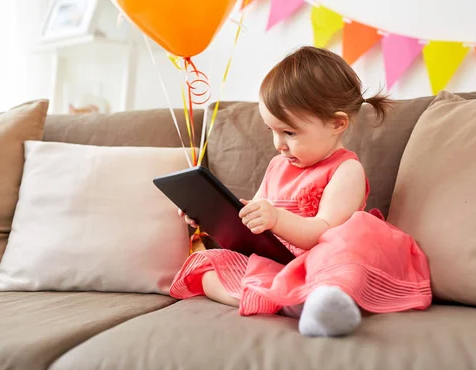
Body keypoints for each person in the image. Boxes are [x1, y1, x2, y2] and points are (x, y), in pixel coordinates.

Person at [170, 46, 432, 337]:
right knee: (207, 271)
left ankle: (320, 303)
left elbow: (323, 232)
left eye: (289, 133)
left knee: (343, 258)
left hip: (320, 262)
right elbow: (250, 220)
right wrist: (211, 216)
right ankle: (289, 301)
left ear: (336, 123)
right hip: (278, 263)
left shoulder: (346, 170)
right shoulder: (277, 165)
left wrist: (276, 219)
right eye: (272, 130)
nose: (278, 144)